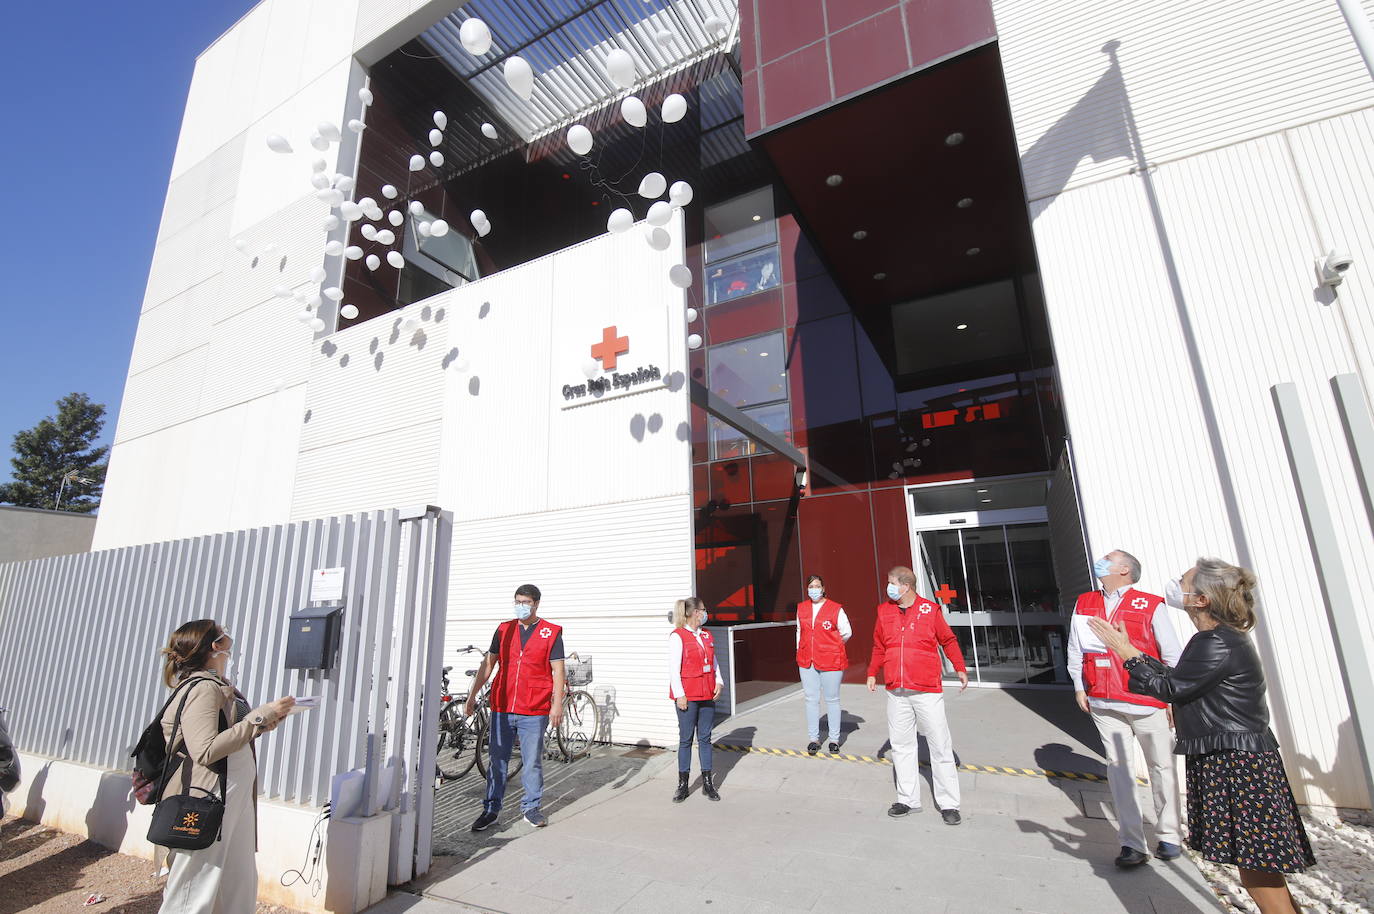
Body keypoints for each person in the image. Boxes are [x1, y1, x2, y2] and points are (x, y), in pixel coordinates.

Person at [1090, 558, 1314, 914]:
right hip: (1236, 758)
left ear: (1201, 600)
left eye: (1184, 581)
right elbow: (1181, 678)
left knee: (1257, 867)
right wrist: (1136, 652)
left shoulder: (1216, 642)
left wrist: (1127, 653)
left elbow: (1170, 688)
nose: (1177, 584)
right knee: (1259, 865)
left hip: (1236, 765)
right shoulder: (1216, 639)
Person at [156, 620, 294, 914]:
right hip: (210, 794)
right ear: (215, 645)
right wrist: (258, 718)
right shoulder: (203, 688)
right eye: (223, 630)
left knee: (236, 879)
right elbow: (205, 750)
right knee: (194, 886)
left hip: (233, 793)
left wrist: (262, 724)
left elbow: (230, 733)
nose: (229, 633)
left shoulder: (215, 683)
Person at [1068, 549, 1185, 868]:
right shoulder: (1086, 601)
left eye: (1108, 559)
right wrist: (1080, 685)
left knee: (1161, 767)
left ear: (1124, 569)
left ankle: (1169, 835)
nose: (1100, 562)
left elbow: (1172, 655)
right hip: (1104, 700)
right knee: (1119, 771)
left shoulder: (1149, 604)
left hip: (1147, 701)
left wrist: (1174, 698)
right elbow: (1075, 646)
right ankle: (1132, 843)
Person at [867, 566, 968, 825]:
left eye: (891, 583)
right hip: (896, 690)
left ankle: (949, 804)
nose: (887, 587)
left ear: (905, 586)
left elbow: (948, 640)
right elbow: (879, 645)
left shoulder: (929, 610)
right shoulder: (884, 611)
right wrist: (872, 672)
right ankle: (907, 799)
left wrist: (959, 668)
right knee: (901, 746)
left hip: (926, 689)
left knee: (940, 746)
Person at [465, 584, 565, 831]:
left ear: (536, 604)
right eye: (518, 601)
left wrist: (556, 705)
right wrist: (472, 694)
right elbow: (488, 665)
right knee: (497, 761)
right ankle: (490, 809)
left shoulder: (550, 632)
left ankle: (531, 808)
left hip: (534, 707)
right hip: (502, 705)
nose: (521, 606)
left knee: (531, 762)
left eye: (526, 602)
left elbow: (558, 670)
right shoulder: (504, 629)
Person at [668, 597, 723, 802]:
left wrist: (719, 681)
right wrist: (680, 695)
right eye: (703, 610)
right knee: (685, 739)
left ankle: (708, 782)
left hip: (707, 692)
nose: (705, 614)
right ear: (694, 613)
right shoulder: (678, 636)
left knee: (705, 738)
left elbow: (714, 661)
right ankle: (683, 784)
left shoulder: (706, 635)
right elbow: (674, 669)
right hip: (688, 695)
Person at [795, 574, 851, 754]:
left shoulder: (835, 609)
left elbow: (846, 632)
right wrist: (800, 649)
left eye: (817, 586)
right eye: (810, 586)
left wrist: (832, 647)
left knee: (832, 699)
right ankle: (814, 738)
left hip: (830, 660)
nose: (814, 589)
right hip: (806, 659)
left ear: (824, 588)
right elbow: (799, 631)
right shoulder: (802, 608)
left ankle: (834, 739)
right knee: (811, 699)